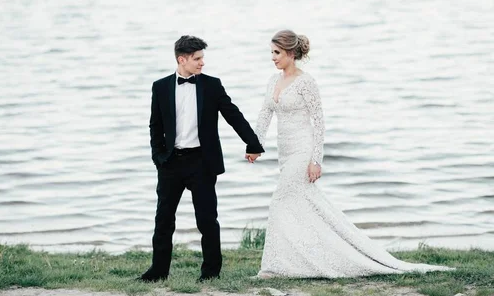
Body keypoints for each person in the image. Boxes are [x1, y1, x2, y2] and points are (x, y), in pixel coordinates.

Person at [249, 29, 453, 278]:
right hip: (285, 152)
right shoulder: (273, 81)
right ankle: (299, 259)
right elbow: (264, 114)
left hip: (303, 150)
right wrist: (255, 145)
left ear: (291, 53)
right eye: (271, 52)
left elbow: (319, 123)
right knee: (302, 207)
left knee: (279, 201)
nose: (273, 57)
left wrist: (316, 160)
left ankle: (272, 267)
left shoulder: (306, 82)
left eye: (277, 52)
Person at [138, 35, 265, 283]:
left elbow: (233, 115)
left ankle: (210, 272)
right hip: (171, 162)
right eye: (197, 59)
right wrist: (158, 156)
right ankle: (158, 271)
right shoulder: (160, 87)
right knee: (163, 219)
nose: (202, 63)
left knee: (207, 220)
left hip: (201, 162)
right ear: (181, 59)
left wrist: (252, 143)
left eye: (202, 58)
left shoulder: (212, 85)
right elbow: (155, 125)